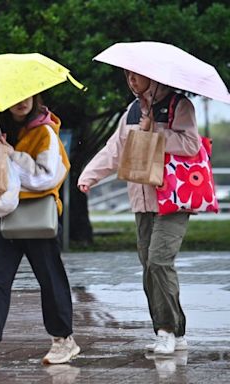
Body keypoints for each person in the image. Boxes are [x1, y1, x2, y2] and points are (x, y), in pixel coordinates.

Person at [77, 70, 200, 354]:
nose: (131, 81)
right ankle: (172, 330)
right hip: (141, 198)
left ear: (152, 76)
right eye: (127, 76)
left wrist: (155, 131)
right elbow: (115, 149)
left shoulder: (178, 105)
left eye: (136, 76)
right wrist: (90, 175)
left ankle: (166, 331)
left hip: (172, 197)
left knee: (159, 261)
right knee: (149, 267)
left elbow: (191, 144)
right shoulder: (132, 111)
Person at [0, 94, 80, 368]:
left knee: (50, 279)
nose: (21, 101)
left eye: (26, 96)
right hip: (5, 215)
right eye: (13, 97)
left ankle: (64, 339)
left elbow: (48, 176)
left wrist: (13, 157)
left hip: (38, 215)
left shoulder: (45, 132)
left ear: (35, 97)